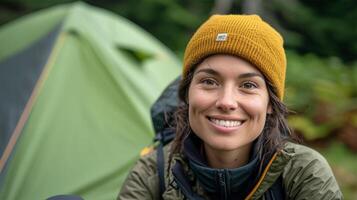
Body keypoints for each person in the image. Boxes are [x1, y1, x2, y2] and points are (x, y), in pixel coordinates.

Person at [118, 14, 342, 200]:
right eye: (209, 82)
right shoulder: (154, 172)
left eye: (248, 85)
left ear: (270, 104)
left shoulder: (302, 173)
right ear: (187, 94)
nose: (226, 102)